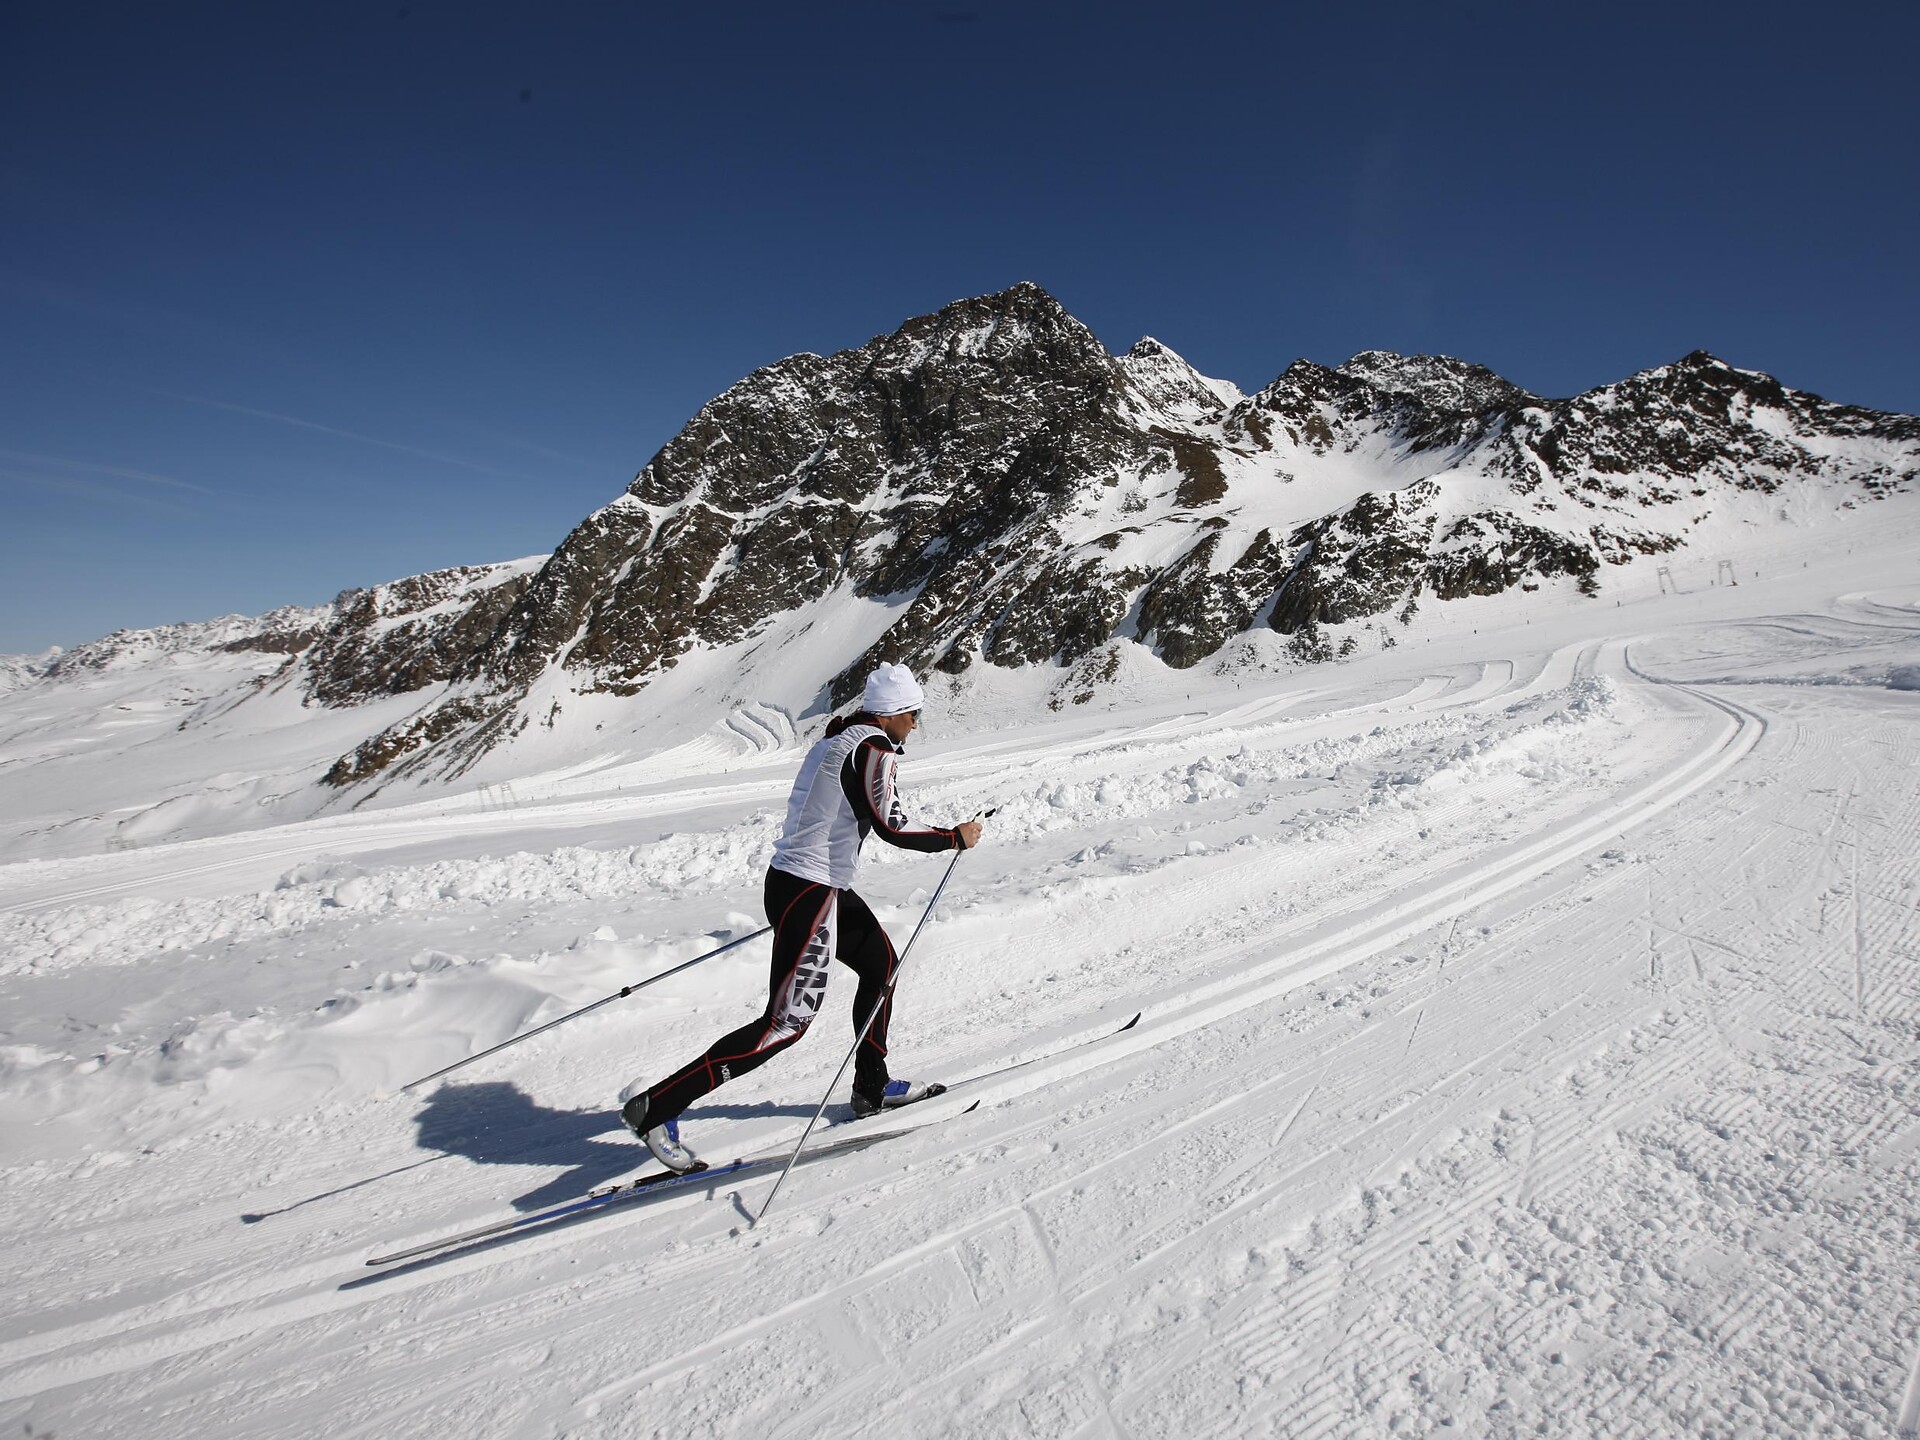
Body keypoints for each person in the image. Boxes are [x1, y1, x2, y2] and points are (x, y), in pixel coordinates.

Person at [620, 662, 986, 1173]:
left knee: (881, 967)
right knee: (785, 1025)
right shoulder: (873, 749)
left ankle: (871, 1087)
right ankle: (655, 1108)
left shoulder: (838, 738)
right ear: (894, 712)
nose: (916, 725)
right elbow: (892, 826)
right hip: (810, 890)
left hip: (811, 885)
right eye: (913, 714)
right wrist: (954, 836)